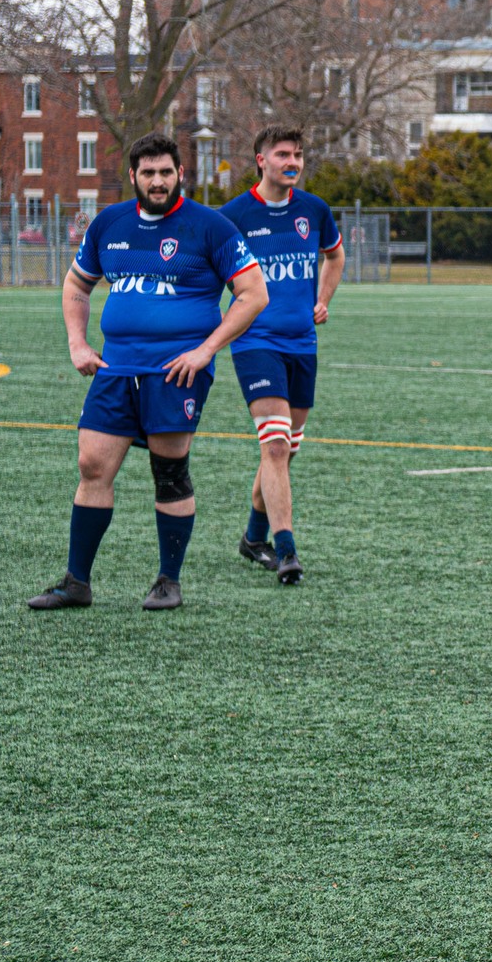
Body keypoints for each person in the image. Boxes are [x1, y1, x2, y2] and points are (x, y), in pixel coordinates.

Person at [27, 133, 266, 611]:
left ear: (181, 174)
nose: (158, 181)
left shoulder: (210, 227)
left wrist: (206, 351)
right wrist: (77, 342)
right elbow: (77, 285)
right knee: (92, 465)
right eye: (149, 173)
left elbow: (253, 294)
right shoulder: (109, 224)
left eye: (166, 172)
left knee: (169, 472)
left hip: (177, 372)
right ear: (133, 176)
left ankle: (168, 581)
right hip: (115, 368)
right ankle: (77, 582)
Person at [221, 126, 345, 585]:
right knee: (273, 444)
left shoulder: (313, 210)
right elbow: (210, 278)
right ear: (261, 160)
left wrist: (324, 299)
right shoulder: (232, 216)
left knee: (286, 451)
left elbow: (335, 256)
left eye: (297, 154)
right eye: (282, 154)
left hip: (302, 344)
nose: (292, 161)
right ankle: (286, 550)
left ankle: (253, 539)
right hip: (255, 344)